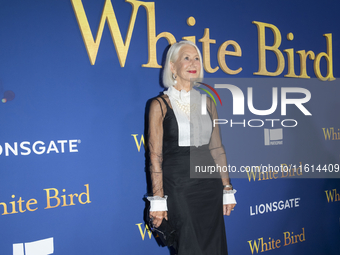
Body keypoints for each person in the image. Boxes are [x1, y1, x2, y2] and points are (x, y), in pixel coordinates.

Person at [147, 40, 236, 255]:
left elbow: (217, 149)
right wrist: (158, 200)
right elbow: (155, 156)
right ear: (172, 66)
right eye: (186, 58)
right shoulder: (160, 105)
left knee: (214, 246)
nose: (192, 62)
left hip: (210, 185)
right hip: (179, 187)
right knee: (189, 247)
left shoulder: (208, 103)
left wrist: (227, 188)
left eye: (196, 58)